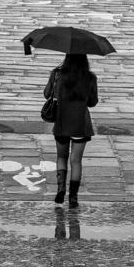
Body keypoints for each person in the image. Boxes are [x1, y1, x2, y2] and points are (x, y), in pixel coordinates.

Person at [44, 52, 98, 209]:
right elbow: (92, 102)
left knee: (61, 157)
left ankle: (60, 190)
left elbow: (47, 94)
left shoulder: (57, 74)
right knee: (76, 161)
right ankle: (73, 197)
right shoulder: (90, 77)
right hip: (80, 123)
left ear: (67, 57)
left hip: (62, 122)